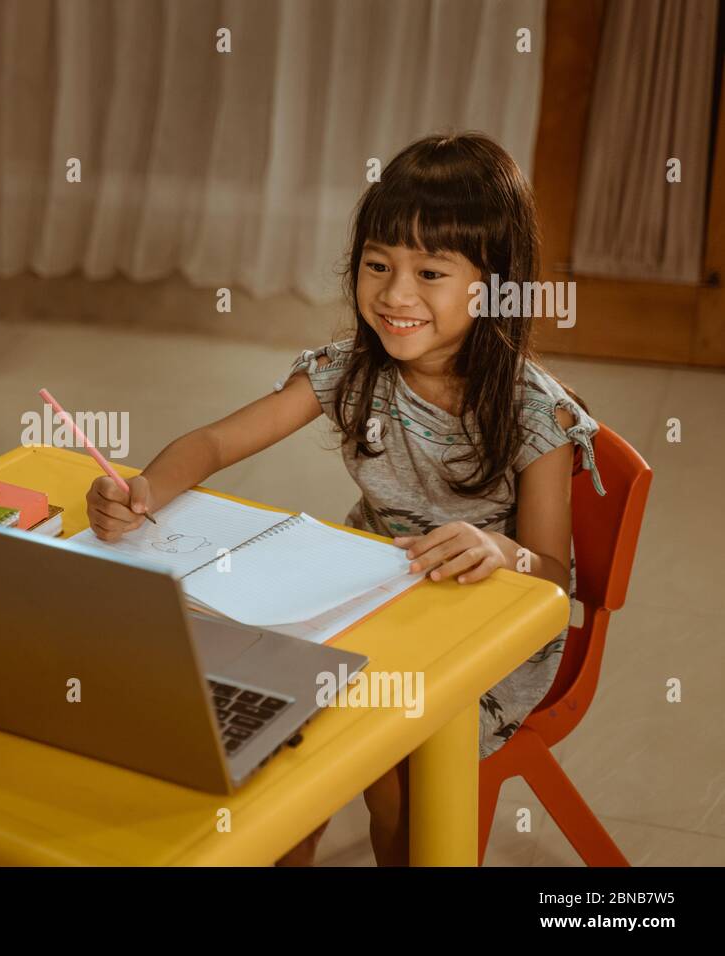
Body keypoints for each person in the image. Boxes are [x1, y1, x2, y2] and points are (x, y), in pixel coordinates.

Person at [84, 132, 605, 866]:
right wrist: (143, 488)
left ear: (494, 286)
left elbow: (552, 575)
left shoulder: (533, 412)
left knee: (390, 776)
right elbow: (214, 445)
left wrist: (501, 548)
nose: (395, 295)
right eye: (378, 266)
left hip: (489, 625)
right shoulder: (348, 369)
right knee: (272, 738)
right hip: (368, 599)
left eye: (430, 272)